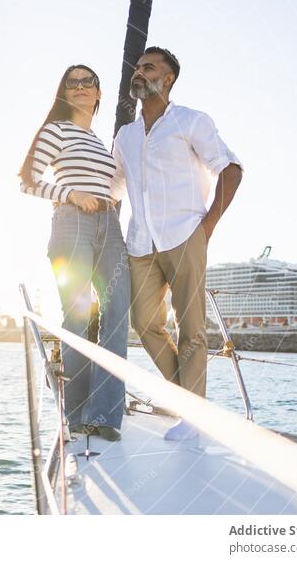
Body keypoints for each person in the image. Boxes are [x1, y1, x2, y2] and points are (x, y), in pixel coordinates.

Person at [112, 47, 243, 440]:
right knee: (144, 322)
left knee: (192, 329)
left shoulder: (191, 121)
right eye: (137, 67)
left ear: (167, 78)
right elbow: (115, 186)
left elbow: (231, 170)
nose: (139, 72)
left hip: (185, 233)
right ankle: (188, 401)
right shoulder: (126, 135)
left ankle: (192, 417)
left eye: (148, 67)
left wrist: (206, 229)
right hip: (140, 243)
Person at [18, 65, 130, 441]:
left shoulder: (98, 140)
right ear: (64, 92)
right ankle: (78, 413)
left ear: (99, 93)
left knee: (116, 314)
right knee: (78, 317)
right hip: (72, 223)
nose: (81, 87)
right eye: (73, 82)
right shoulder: (56, 130)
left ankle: (105, 415)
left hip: (109, 225)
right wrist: (71, 195)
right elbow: (27, 181)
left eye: (89, 82)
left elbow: (112, 183)